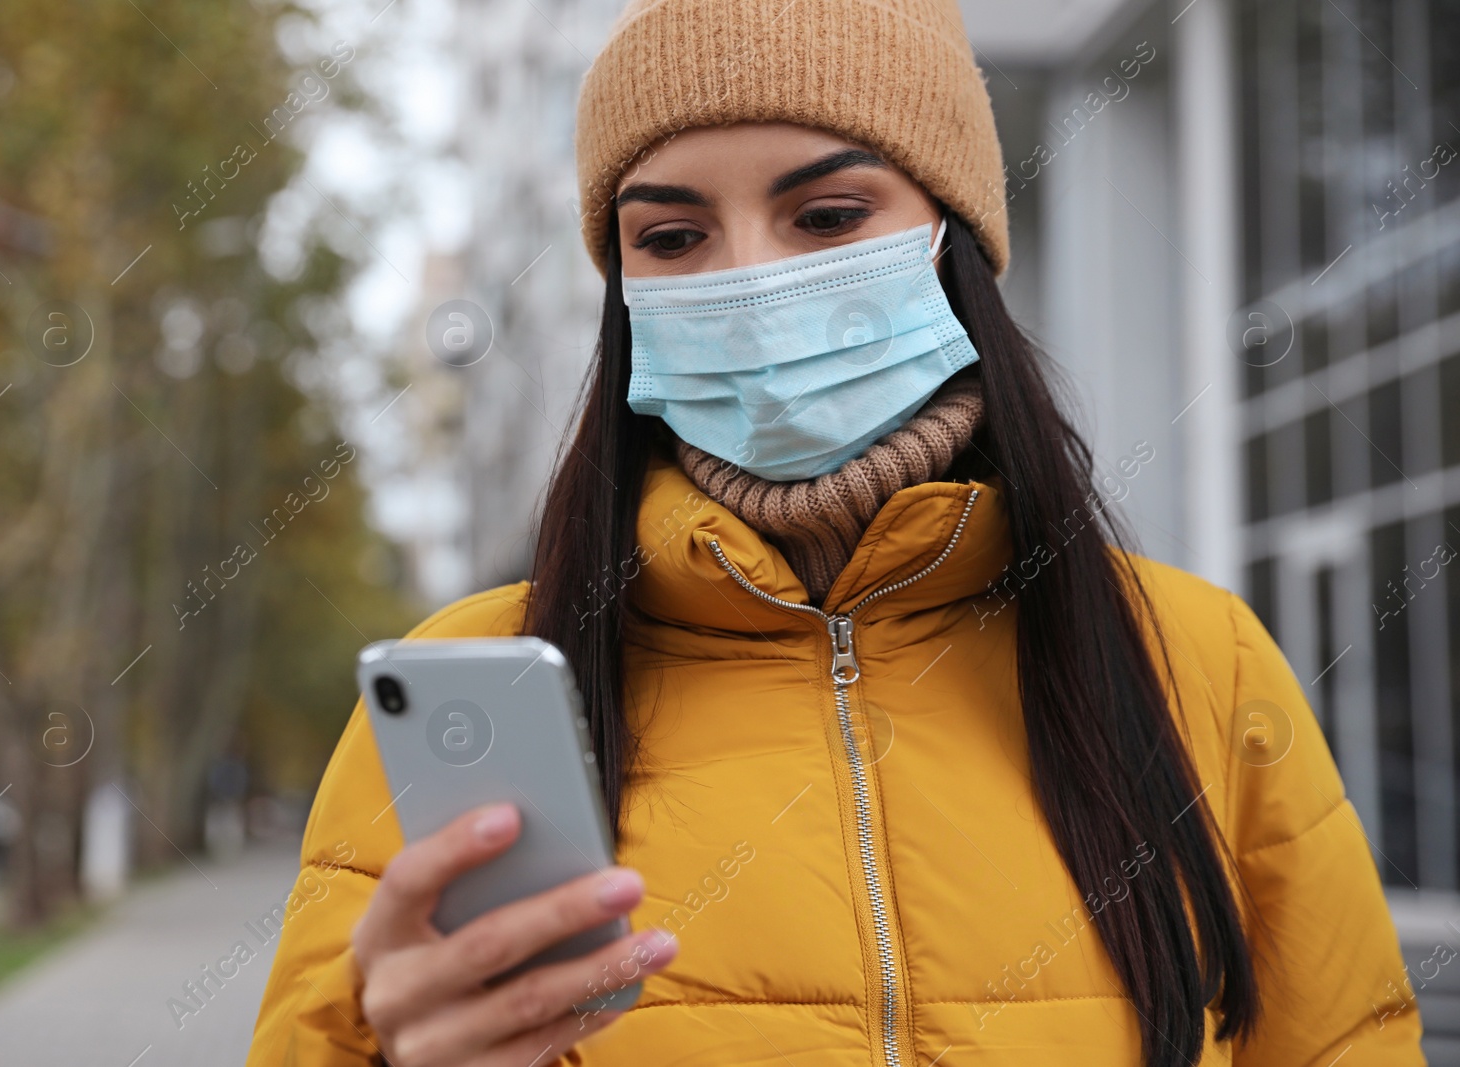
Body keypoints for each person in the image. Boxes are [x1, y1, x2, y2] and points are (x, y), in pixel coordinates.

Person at [248, 0, 1425, 1062]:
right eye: (670, 237)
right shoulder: (470, 681)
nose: (749, 279)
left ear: (951, 242)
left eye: (825, 213)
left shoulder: (1198, 659)